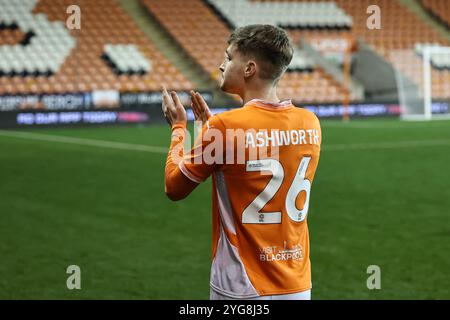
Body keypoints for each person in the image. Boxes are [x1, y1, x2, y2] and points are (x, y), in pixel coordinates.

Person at [162, 24, 321, 300]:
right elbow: (253, 146)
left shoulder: (225, 128)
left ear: (249, 69)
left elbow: (174, 188)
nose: (222, 65)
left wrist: (179, 129)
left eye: (228, 57)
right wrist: (209, 131)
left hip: (241, 287)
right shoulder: (310, 122)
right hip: (296, 286)